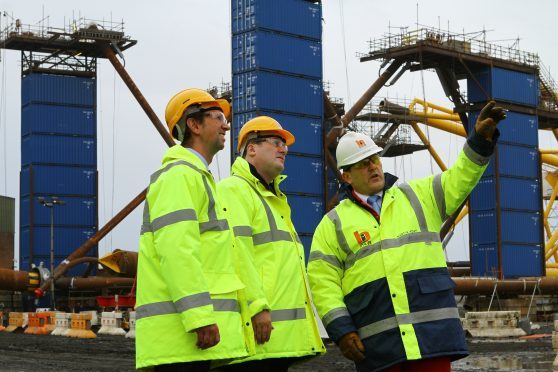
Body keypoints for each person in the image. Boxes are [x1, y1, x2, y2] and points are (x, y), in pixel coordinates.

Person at [307, 101, 506, 372]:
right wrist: (341, 329)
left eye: (374, 159)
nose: (373, 166)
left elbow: (460, 179)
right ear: (346, 175)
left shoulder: (418, 196)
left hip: (430, 338)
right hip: (379, 346)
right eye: (363, 163)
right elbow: (323, 282)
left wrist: (479, 143)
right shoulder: (332, 225)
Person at [135, 88, 248, 371]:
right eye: (218, 117)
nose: (226, 124)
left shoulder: (197, 178)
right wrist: (199, 317)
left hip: (189, 341)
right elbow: (177, 251)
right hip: (182, 340)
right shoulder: (180, 177)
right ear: (194, 125)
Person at [217, 116, 325, 371]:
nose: (283, 149)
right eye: (276, 142)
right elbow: (237, 253)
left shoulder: (274, 198)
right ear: (252, 148)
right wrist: (256, 308)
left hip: (276, 338)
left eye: (284, 144)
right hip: (256, 333)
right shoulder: (234, 190)